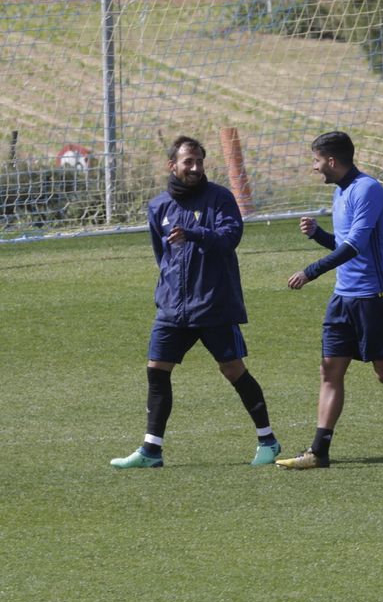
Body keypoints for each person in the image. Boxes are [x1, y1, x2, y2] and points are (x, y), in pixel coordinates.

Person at [110, 135, 279, 469]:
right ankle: (151, 451)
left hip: (213, 304)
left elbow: (231, 238)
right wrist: (171, 289)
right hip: (173, 307)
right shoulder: (159, 206)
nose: (195, 168)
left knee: (233, 371)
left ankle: (268, 441)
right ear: (172, 165)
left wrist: (195, 233)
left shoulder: (220, 199)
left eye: (200, 161)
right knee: (156, 371)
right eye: (188, 162)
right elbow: (164, 256)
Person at [280, 131, 383, 469]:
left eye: (317, 161)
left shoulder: (368, 190)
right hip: (342, 298)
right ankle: (319, 451)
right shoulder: (341, 192)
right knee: (329, 370)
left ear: (331, 160)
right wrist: (320, 236)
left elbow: (356, 246)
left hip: (373, 297)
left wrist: (311, 271)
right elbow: (344, 246)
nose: (315, 168)